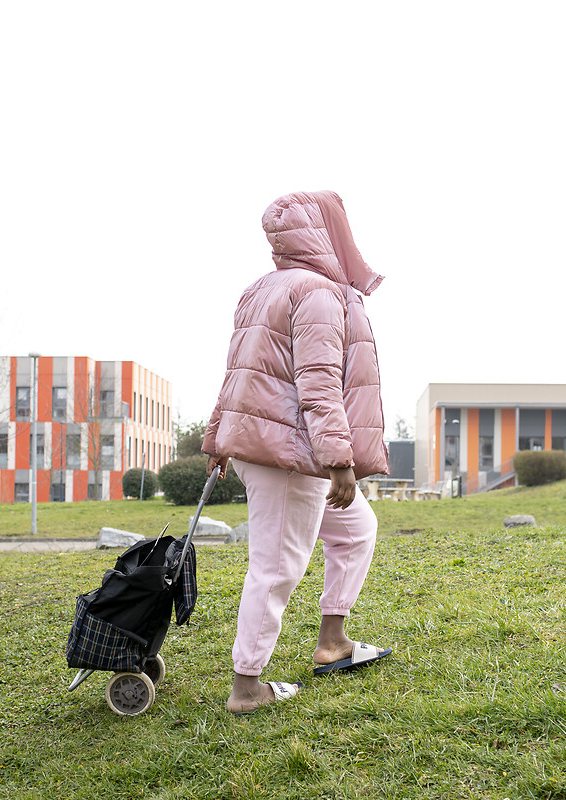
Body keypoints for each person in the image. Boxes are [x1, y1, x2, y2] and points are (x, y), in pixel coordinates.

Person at [203, 190, 392, 715]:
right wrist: (340, 459)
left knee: (356, 530)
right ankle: (246, 688)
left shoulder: (260, 289)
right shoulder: (318, 294)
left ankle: (334, 641)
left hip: (272, 447)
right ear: (327, 231)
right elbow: (319, 383)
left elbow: (237, 372)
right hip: (289, 454)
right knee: (275, 566)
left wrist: (218, 437)